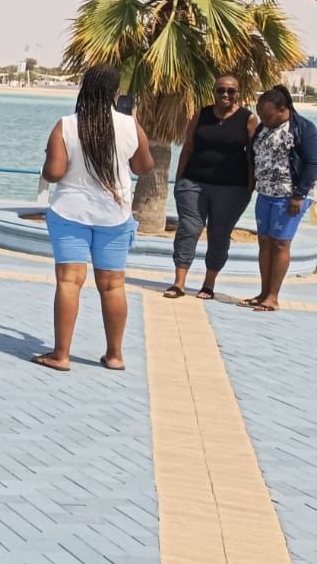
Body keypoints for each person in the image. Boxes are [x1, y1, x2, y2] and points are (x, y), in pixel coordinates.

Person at [32, 65, 154, 372]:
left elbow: (54, 173)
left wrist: (48, 156)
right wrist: (134, 124)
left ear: (84, 89)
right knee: (113, 285)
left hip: (70, 212)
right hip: (114, 215)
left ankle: (61, 355)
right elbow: (143, 167)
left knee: (69, 281)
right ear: (115, 93)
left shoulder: (66, 125)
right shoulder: (129, 126)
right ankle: (114, 355)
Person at [165, 75, 257, 300]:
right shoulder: (201, 114)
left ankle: (208, 284)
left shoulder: (248, 119)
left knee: (219, 234)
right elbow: (188, 146)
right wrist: (180, 179)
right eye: (220, 90)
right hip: (193, 182)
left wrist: (250, 185)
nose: (225, 94)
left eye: (231, 91)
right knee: (189, 229)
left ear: (238, 93)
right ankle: (179, 283)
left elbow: (252, 156)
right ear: (214, 91)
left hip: (232, 188)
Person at [241, 85, 317, 312]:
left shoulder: (303, 128)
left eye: (267, 115)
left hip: (290, 196)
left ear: (283, 110)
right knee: (264, 242)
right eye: (261, 115)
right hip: (266, 193)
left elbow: (313, 163)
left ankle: (273, 297)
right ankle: (263, 293)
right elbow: (254, 155)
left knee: (281, 243)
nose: (263, 120)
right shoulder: (264, 128)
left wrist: (298, 196)